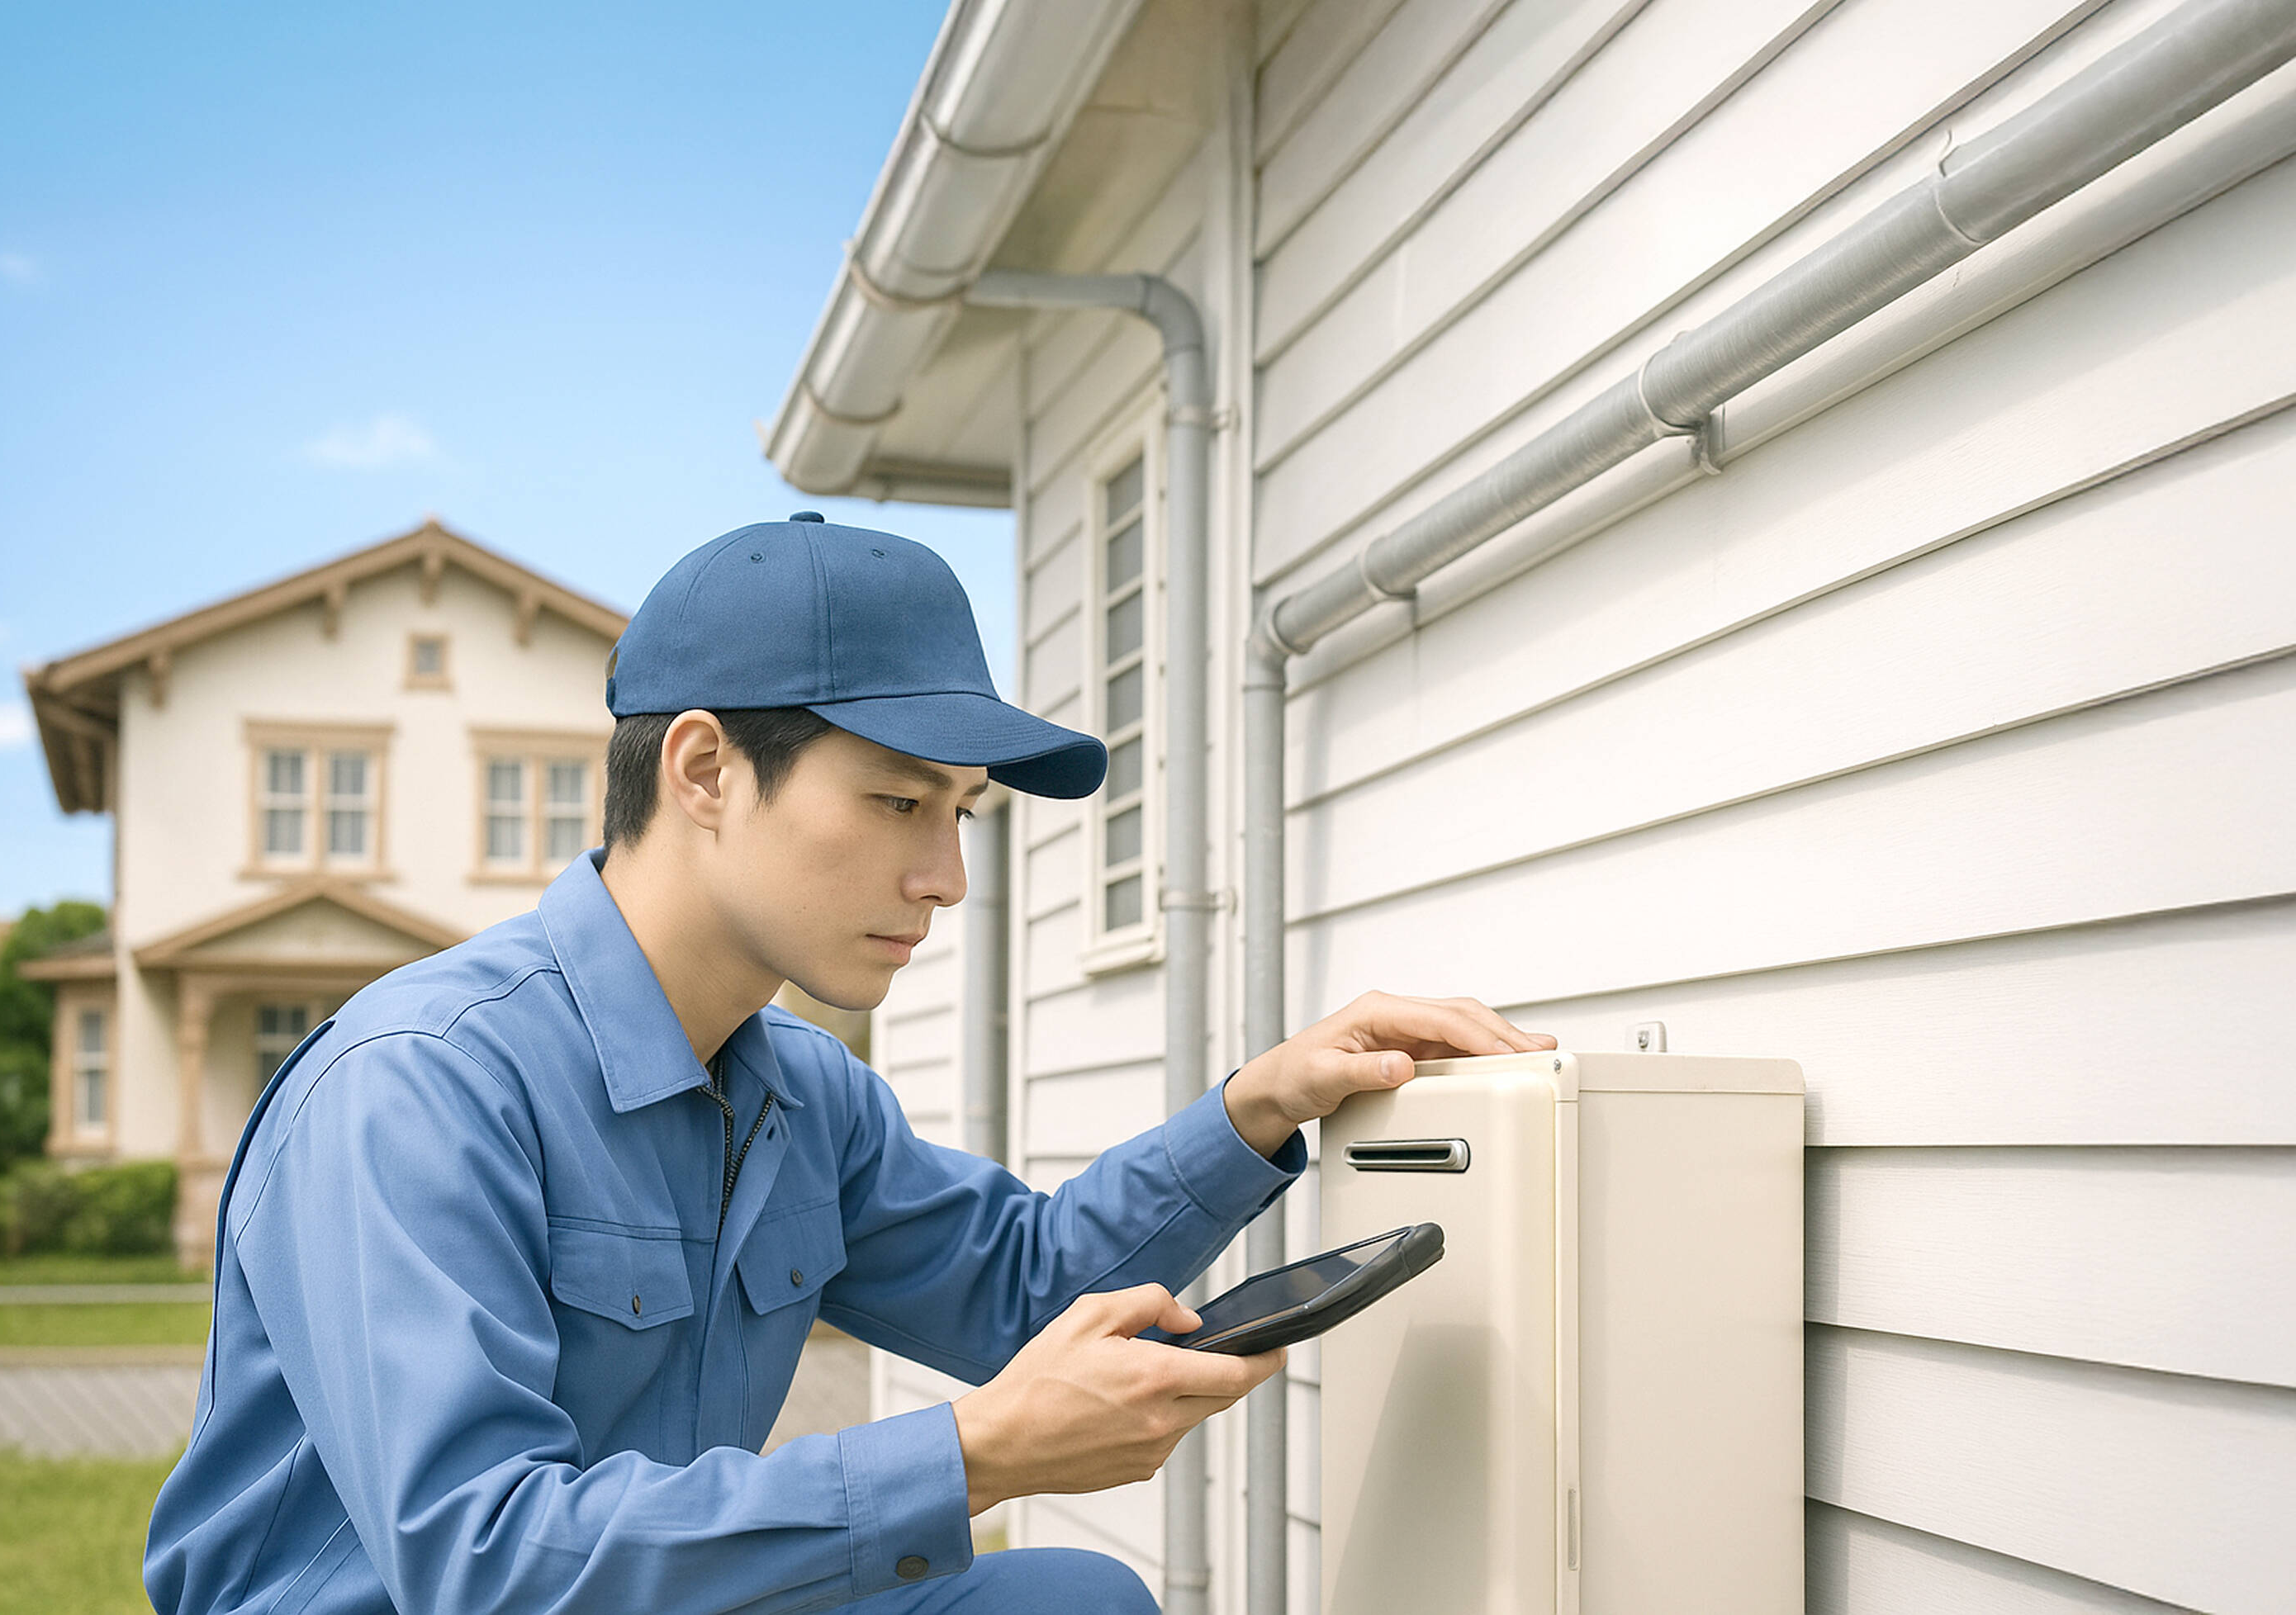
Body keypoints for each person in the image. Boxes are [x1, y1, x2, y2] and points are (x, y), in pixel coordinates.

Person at [143, 514, 1552, 1613]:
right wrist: (974, 1457)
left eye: (960, 816)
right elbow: (486, 1561)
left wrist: (1256, 1109)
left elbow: (1025, 1291)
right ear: (704, 772)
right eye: (893, 803)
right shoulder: (416, 1086)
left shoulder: (801, 1098)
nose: (944, 876)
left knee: (1072, 1600)